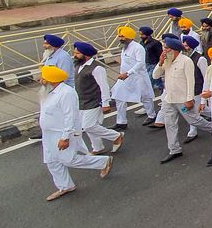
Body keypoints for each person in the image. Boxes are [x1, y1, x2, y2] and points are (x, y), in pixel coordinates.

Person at [38, 65, 114, 201]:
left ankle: (103, 162)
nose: (40, 80)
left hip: (62, 134)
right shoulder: (48, 92)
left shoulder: (66, 93)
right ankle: (65, 186)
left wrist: (65, 137)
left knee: (69, 159)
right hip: (48, 134)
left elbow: (70, 116)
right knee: (51, 161)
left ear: (52, 80)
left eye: (43, 78)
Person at [154, 37, 212, 163]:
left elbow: (191, 82)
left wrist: (189, 99)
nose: (164, 51)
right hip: (168, 99)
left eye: (166, 48)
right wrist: (160, 63)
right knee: (170, 125)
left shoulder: (186, 61)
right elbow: (155, 75)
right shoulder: (166, 60)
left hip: (182, 100)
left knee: (195, 121)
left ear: (174, 50)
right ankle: (174, 150)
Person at [72, 42, 124, 155]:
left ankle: (116, 136)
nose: (74, 55)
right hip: (81, 102)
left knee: (89, 126)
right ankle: (98, 147)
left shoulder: (97, 68)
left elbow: (104, 86)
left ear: (85, 54)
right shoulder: (78, 65)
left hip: (93, 101)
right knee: (88, 126)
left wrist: (106, 103)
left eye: (77, 53)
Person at [111, 26, 156, 130]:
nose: (120, 38)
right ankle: (121, 122)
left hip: (138, 77)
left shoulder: (138, 48)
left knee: (145, 97)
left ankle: (152, 116)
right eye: (119, 36)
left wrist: (128, 73)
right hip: (125, 78)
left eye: (122, 36)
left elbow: (140, 63)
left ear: (129, 37)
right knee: (119, 98)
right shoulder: (124, 47)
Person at [139, 26, 163, 92]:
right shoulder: (142, 43)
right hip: (146, 63)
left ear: (147, 34)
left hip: (154, 64)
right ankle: (162, 90)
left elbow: (160, 54)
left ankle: (148, 93)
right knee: (157, 79)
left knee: (150, 80)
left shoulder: (155, 43)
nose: (140, 36)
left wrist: (160, 64)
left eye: (142, 34)